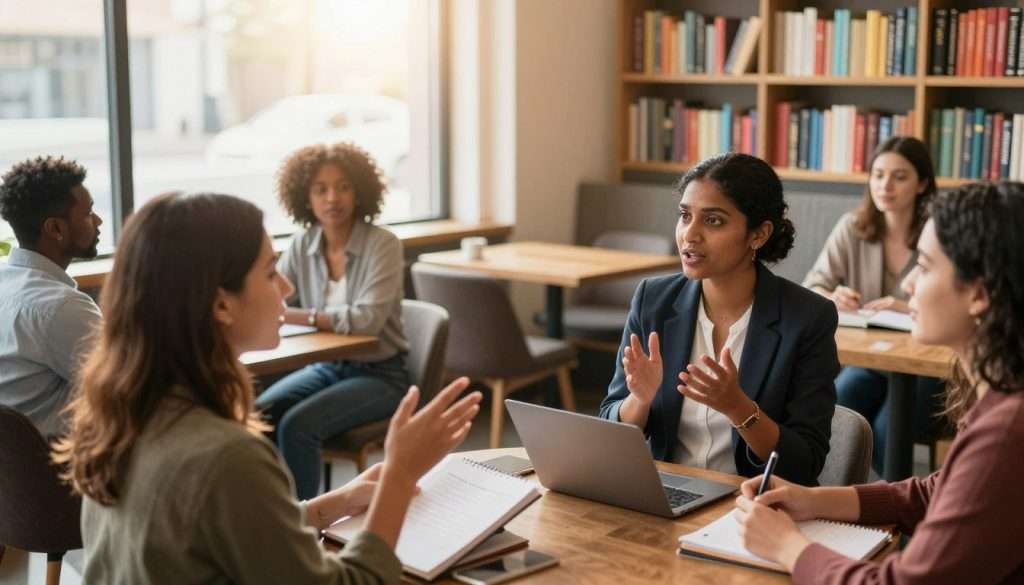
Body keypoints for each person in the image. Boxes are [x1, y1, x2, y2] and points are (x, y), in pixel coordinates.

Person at [53, 192, 483, 584]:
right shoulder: (226, 455)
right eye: (271, 272)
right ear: (222, 304)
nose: (287, 289)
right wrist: (398, 477)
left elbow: (224, 528)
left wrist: (334, 503)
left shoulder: (125, 415)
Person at [735, 182, 1024, 584]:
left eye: (923, 267)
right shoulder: (1003, 396)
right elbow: (934, 493)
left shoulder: (1008, 430)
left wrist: (787, 546)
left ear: (979, 294)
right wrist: (812, 499)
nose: (908, 285)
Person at [598, 153, 839, 486]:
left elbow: (804, 463)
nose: (690, 235)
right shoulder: (653, 300)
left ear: (758, 234)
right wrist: (640, 399)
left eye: (713, 221)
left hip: (754, 505)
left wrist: (738, 407)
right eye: (685, 216)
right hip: (665, 493)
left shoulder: (808, 318)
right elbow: (610, 425)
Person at [255, 143, 408, 499]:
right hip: (327, 367)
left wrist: (301, 315)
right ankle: (270, 511)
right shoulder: (301, 244)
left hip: (382, 374)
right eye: (320, 189)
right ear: (305, 197)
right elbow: (270, 299)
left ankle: (306, 529)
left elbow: (367, 321)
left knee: (297, 426)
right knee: (257, 414)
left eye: (343, 186)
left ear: (360, 191)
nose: (332, 198)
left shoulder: (383, 244)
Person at [803, 136, 945, 473]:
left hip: (925, 363)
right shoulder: (852, 228)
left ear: (922, 183)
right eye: (878, 175)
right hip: (873, 361)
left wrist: (907, 305)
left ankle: (894, 511)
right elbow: (812, 286)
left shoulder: (938, 233)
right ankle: (845, 502)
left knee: (886, 430)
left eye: (899, 176)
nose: (886, 186)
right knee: (840, 406)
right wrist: (832, 295)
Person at [0, 156, 102, 435]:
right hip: (63, 469)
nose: (99, 220)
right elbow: (127, 386)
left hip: (14, 473)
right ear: (56, 229)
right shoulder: (60, 308)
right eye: (88, 213)